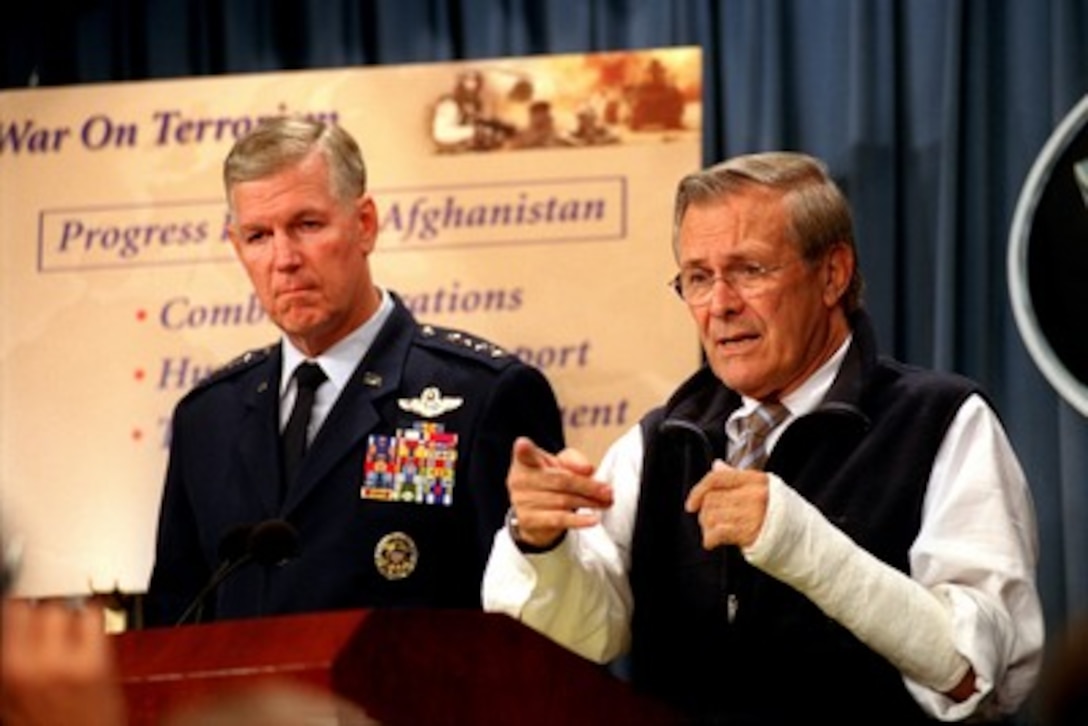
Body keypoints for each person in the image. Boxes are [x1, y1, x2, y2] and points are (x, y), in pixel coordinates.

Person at [483, 152, 1043, 724]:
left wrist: (796, 541)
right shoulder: (661, 440)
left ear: (832, 274)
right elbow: (586, 634)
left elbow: (974, 673)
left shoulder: (942, 421)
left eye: (750, 270)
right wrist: (541, 544)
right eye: (698, 278)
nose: (720, 305)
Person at [144, 116, 565, 626]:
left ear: (364, 224)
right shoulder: (208, 417)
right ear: (236, 247)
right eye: (258, 235)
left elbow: (537, 618)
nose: (284, 259)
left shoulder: (482, 395)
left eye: (307, 225)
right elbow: (176, 620)